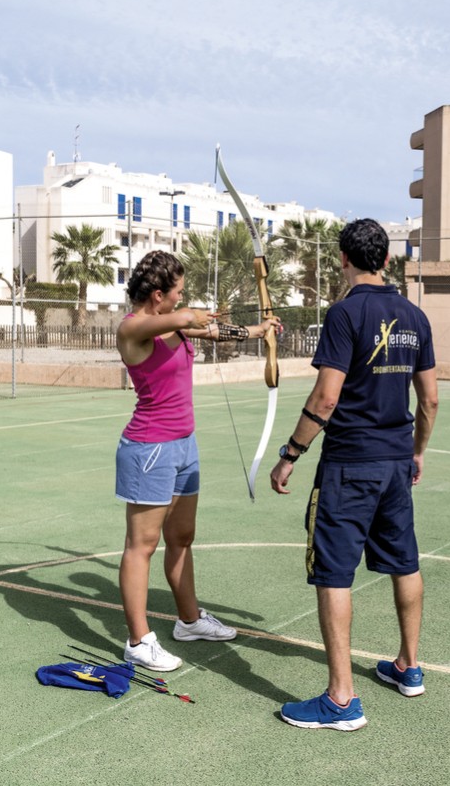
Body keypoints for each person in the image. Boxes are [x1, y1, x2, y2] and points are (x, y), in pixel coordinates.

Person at [270, 218, 439, 730]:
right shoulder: (414, 315)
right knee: (403, 561)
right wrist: (417, 451)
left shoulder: (344, 314)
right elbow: (429, 398)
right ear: (386, 260)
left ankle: (341, 699)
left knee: (334, 572)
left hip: (350, 464)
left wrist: (291, 452)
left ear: (343, 259)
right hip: (393, 461)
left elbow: (326, 395)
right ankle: (409, 667)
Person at [116, 250, 278, 671]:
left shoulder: (177, 327)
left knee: (182, 537)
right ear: (157, 295)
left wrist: (260, 329)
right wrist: (195, 313)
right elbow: (187, 319)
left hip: (183, 446)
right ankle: (137, 640)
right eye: (178, 292)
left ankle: (189, 621)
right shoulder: (134, 329)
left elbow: (214, 331)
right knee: (141, 545)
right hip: (149, 448)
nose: (182, 298)